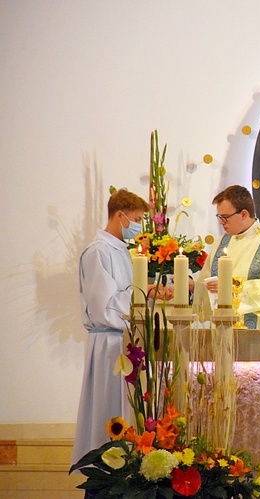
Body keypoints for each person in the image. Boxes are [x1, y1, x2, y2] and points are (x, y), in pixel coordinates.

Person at [72, 188, 171, 465]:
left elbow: (128, 292)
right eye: (136, 219)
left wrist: (148, 291)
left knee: (125, 413)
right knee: (107, 413)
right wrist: (144, 293)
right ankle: (104, 476)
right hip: (108, 342)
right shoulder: (98, 252)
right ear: (120, 215)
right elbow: (104, 306)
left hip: (125, 339)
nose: (138, 227)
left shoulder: (121, 251)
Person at [196, 185, 260, 329]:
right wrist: (195, 288)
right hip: (222, 333)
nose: (222, 223)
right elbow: (207, 284)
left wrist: (231, 288)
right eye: (219, 217)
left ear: (243, 214)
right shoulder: (220, 244)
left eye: (225, 218)